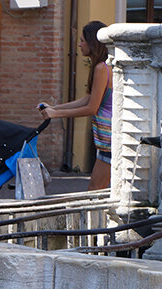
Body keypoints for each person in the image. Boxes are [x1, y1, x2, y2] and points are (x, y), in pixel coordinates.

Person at [38, 21, 110, 191]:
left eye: (82, 40)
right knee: (98, 189)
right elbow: (87, 99)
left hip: (109, 139)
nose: (79, 44)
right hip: (105, 139)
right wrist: (55, 108)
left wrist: (56, 115)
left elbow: (92, 108)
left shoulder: (101, 68)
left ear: (93, 42)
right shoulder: (101, 66)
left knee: (95, 189)